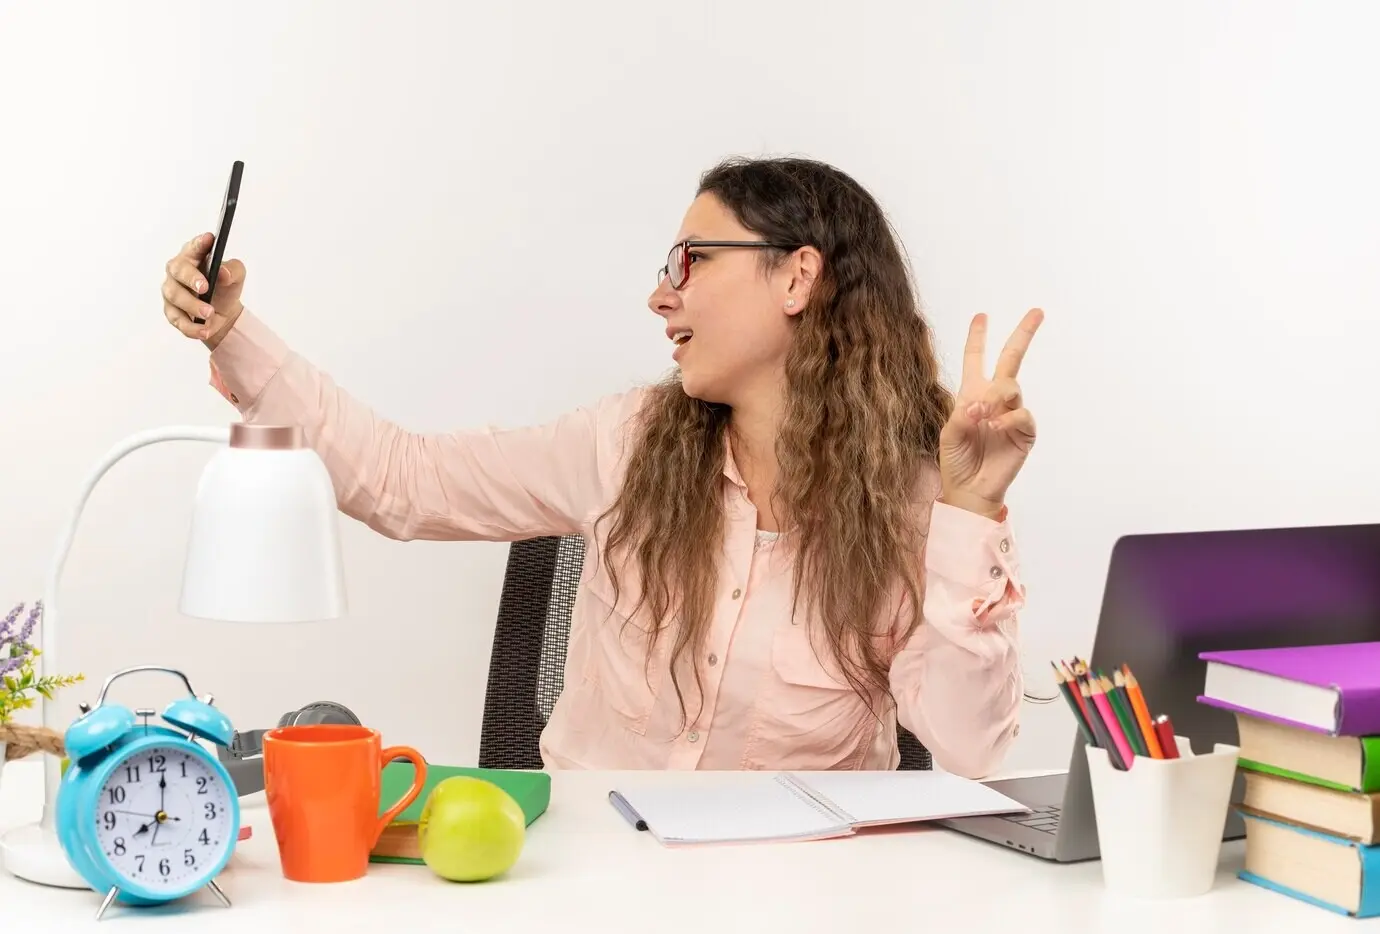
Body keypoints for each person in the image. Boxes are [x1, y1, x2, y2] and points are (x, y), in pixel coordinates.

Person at [159, 156, 1042, 777]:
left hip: (799, 894)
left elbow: (969, 749)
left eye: (691, 261)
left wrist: (969, 512)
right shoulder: (625, 443)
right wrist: (233, 336)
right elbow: (401, 480)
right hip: (595, 883)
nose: (662, 294)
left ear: (796, 277)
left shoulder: (916, 497)